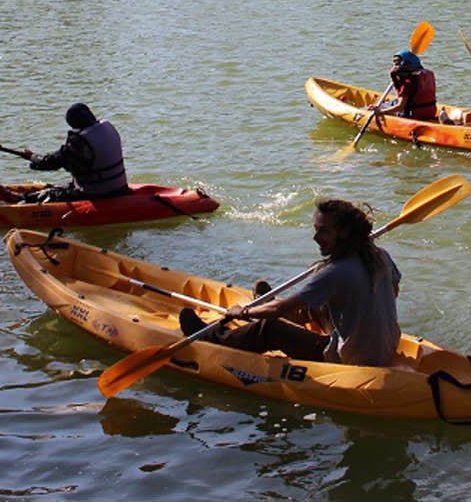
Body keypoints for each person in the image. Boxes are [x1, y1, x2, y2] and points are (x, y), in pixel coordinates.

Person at [179, 198, 401, 367]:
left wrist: (242, 313)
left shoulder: (335, 271)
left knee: (269, 327)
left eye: (324, 231)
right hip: (388, 348)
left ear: (345, 233)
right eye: (316, 230)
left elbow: (280, 309)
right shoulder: (380, 255)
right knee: (318, 305)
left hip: (349, 359)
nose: (316, 238)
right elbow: (393, 292)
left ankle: (214, 339)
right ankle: (270, 307)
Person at [20, 102, 129, 203]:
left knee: (49, 195)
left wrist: (32, 157)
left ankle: (19, 199)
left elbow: (53, 162)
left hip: (97, 194)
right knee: (64, 186)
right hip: (120, 188)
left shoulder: (79, 142)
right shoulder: (107, 128)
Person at [372, 49, 437, 121]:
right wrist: (395, 79)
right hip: (430, 112)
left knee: (369, 109)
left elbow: (400, 107)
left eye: (397, 64)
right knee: (390, 103)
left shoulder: (408, 81)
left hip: (412, 114)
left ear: (405, 64)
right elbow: (402, 96)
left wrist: (380, 112)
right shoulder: (428, 74)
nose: (396, 67)